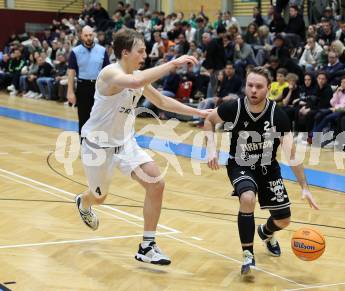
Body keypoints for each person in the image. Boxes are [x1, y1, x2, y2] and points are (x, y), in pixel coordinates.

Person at [74, 29, 209, 265]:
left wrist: (197, 111)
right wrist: (174, 62)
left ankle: (147, 246)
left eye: (145, 50)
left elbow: (162, 101)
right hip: (97, 146)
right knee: (99, 197)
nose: (145, 55)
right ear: (125, 52)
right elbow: (136, 81)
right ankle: (84, 201)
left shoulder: (137, 75)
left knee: (156, 184)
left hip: (125, 143)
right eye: (141, 50)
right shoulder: (110, 74)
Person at [204, 67, 319, 278]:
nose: (253, 90)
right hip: (240, 164)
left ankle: (266, 233)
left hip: (268, 169)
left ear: (268, 89)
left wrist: (304, 186)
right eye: (250, 85)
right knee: (247, 198)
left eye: (259, 86)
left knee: (284, 220)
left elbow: (291, 154)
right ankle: (248, 253)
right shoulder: (234, 108)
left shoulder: (278, 115)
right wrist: (211, 147)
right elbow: (209, 121)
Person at [67, 26, 110, 135]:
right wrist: (70, 91)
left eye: (90, 35)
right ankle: (84, 144)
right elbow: (71, 73)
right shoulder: (75, 52)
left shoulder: (102, 51)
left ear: (93, 35)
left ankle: (99, 144)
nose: (88, 37)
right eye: (86, 35)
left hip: (99, 88)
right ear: (81, 36)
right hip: (83, 88)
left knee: (99, 117)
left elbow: (107, 72)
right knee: (83, 118)